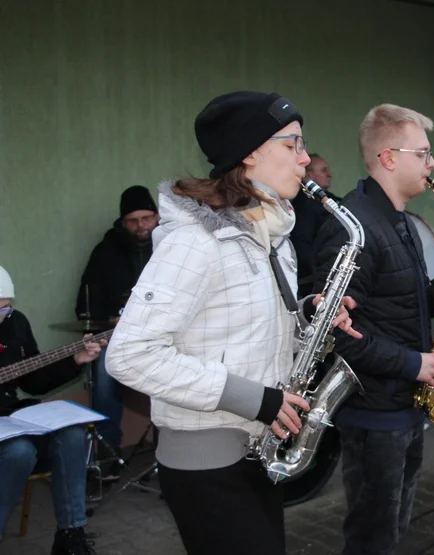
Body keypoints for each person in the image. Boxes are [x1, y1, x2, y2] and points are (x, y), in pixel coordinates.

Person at [104, 90, 360, 555]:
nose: (305, 160)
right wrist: (255, 398)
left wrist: (307, 312)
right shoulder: (195, 242)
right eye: (292, 145)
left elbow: (238, 319)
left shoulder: (270, 233)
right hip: (208, 464)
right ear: (250, 152)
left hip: (254, 452)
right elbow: (129, 355)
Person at [312, 103, 434, 555]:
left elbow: (397, 304)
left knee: (393, 531)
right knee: (373, 539)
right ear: (389, 158)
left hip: (400, 405)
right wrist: (415, 363)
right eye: (423, 153)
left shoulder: (396, 219)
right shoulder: (352, 229)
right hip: (373, 413)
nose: (433, 164)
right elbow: (335, 335)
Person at [0, 265, 104, 554]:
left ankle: (71, 537)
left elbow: (33, 382)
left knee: (71, 434)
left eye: (5, 309)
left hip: (11, 415)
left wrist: (75, 359)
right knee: (19, 451)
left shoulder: (15, 323)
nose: (3, 316)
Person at [75, 184, 160, 478]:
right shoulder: (106, 252)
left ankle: (168, 457)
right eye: (134, 221)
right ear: (123, 222)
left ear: (157, 217)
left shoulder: (170, 245)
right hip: (118, 337)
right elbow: (85, 305)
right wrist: (111, 318)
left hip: (164, 337)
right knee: (103, 373)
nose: (141, 226)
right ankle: (108, 457)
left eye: (147, 218)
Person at [291, 154, 339, 298]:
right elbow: (302, 245)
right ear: (309, 174)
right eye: (324, 170)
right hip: (312, 286)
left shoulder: (324, 199)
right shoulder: (305, 204)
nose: (329, 174)